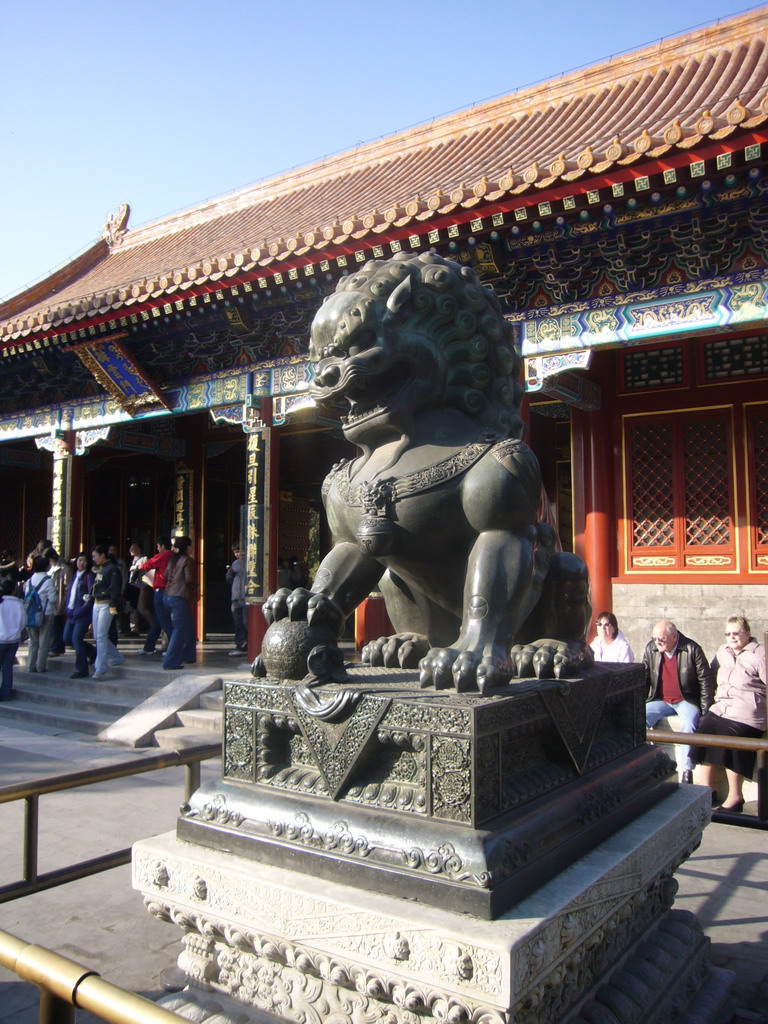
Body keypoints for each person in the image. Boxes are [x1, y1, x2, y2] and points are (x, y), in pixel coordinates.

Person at [692, 616, 766, 812]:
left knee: (732, 735)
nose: (732, 637)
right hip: (723, 706)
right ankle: (707, 789)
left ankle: (735, 796)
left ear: (747, 634)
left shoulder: (759, 654)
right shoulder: (722, 652)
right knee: (705, 729)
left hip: (748, 711)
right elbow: (710, 674)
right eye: (728, 633)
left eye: (736, 633)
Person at [643, 620, 715, 784]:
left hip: (686, 699)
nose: (657, 643)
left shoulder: (692, 649)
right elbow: (644, 677)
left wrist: (705, 710)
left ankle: (686, 770)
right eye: (654, 638)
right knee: (640, 720)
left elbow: (706, 681)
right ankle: (648, 764)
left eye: (661, 639)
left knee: (689, 724)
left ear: (674, 637)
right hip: (660, 699)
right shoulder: (651, 648)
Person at [90, 545, 126, 680]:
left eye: (95, 556)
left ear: (102, 555)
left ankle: (101, 667)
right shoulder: (102, 569)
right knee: (97, 635)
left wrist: (113, 604)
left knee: (101, 635)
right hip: (97, 603)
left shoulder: (112, 569)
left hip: (106, 604)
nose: (94, 559)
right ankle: (116, 656)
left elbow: (115, 588)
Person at [162, 536, 197, 670]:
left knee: (188, 625)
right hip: (178, 597)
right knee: (179, 629)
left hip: (168, 596)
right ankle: (170, 661)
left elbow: (165, 577)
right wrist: (196, 587)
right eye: (191, 545)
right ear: (187, 547)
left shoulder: (173, 559)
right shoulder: (187, 560)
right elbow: (189, 579)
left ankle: (189, 655)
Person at [62, 553, 96, 678]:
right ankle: (92, 652)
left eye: (84, 561)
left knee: (76, 639)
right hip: (71, 612)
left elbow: (90, 596)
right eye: (79, 560)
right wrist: (67, 608)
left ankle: (82, 669)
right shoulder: (74, 576)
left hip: (82, 614)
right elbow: (70, 593)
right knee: (67, 638)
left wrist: (81, 610)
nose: (81, 563)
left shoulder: (89, 576)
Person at [138, 537, 174, 656]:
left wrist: (137, 567)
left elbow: (146, 565)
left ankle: (174, 648)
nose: (158, 549)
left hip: (161, 590)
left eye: (158, 546)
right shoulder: (173, 555)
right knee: (157, 621)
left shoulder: (163, 555)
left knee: (164, 621)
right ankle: (149, 647)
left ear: (162, 546)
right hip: (169, 590)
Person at [23, 555, 57, 673]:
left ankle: (30, 665)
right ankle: (40, 666)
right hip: (45, 613)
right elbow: (52, 599)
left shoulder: (29, 581)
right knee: (44, 640)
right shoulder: (48, 580)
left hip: (30, 614)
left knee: (33, 641)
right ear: (46, 567)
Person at [0, 578, 26, 701]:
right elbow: (23, 623)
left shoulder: (1, 603)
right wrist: (17, 633)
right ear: (14, 590)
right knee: (7, 668)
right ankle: (6, 694)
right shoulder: (19, 604)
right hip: (13, 640)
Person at [43, 546, 72, 657]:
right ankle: (52, 645)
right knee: (51, 626)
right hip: (49, 600)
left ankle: (57, 647)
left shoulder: (65, 569)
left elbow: (67, 588)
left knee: (57, 626)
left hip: (59, 600)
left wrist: (64, 601)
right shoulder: (49, 568)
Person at [226, 544, 247, 656]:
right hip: (235, 596)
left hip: (245, 596)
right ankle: (240, 645)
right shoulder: (234, 564)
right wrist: (229, 574)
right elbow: (229, 581)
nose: (238, 554)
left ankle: (247, 644)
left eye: (239, 551)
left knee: (245, 622)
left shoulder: (249, 562)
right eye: (235, 552)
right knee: (237, 623)